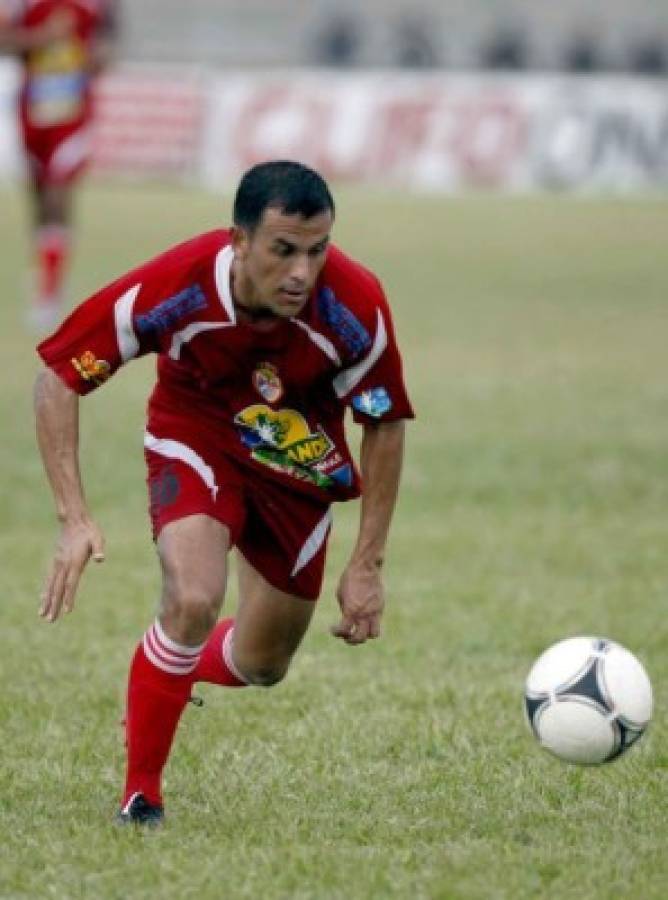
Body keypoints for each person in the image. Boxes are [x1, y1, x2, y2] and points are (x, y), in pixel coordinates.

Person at [34, 160, 414, 826]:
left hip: (297, 458)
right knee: (193, 596)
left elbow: (382, 422)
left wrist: (368, 564)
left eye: (317, 250)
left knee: (265, 662)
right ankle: (141, 796)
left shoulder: (354, 306)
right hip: (198, 430)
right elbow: (61, 375)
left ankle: (169, 676)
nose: (302, 271)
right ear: (238, 242)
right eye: (283, 250)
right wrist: (74, 517)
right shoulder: (178, 287)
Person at [0, 0, 118, 330]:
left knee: (57, 195)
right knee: (39, 201)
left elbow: (108, 43)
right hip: (32, 114)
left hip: (73, 116)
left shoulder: (96, 5)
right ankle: (48, 270)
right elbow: (5, 40)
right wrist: (41, 37)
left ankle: (48, 295)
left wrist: (99, 58)